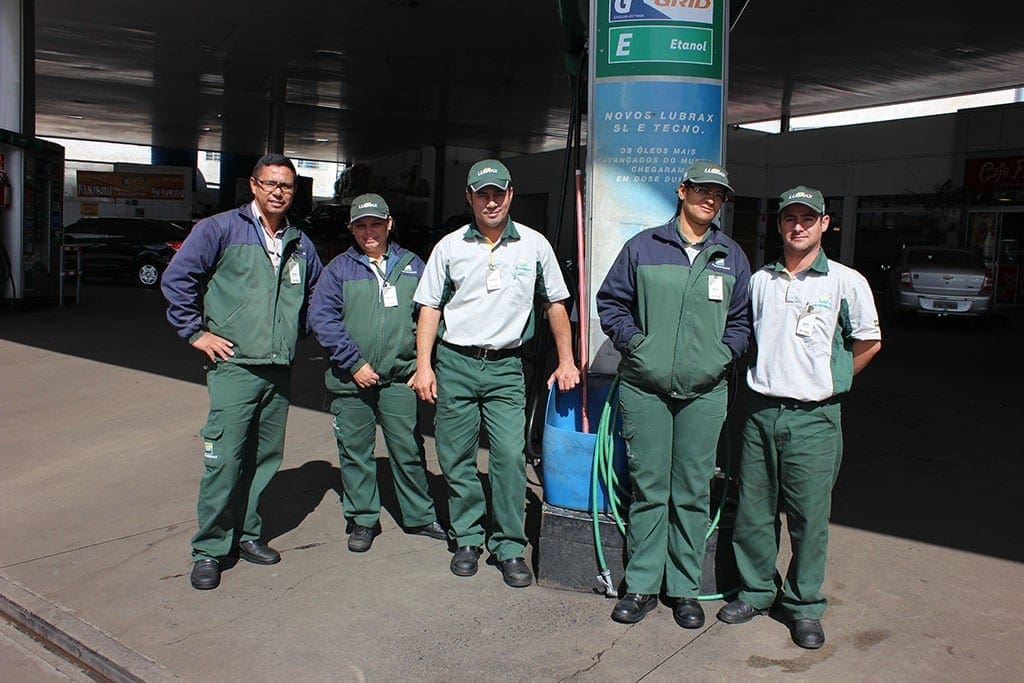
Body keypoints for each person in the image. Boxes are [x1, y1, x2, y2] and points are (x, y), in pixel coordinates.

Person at [717, 186, 881, 648]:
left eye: (808, 218)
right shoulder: (761, 280)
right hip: (758, 412)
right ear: (780, 223)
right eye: (790, 217)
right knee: (753, 510)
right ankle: (755, 591)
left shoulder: (846, 282)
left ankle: (804, 605)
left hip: (814, 420)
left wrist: (834, 378)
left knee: (809, 517)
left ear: (825, 224)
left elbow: (868, 342)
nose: (798, 226)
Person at [596, 160, 752, 628]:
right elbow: (611, 303)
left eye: (718, 194)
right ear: (682, 191)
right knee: (649, 489)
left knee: (692, 490)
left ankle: (683, 588)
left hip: (705, 392)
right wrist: (639, 347)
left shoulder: (731, 257)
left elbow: (743, 322)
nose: (710, 199)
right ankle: (642, 585)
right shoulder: (644, 247)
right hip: (645, 389)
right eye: (702, 190)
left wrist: (722, 357)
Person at [411, 159, 580, 587]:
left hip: (506, 368)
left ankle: (508, 546)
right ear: (469, 197)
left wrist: (566, 360)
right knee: (455, 455)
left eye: (498, 193)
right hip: (456, 364)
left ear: (510, 195)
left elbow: (555, 304)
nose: (491, 201)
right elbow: (429, 307)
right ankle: (468, 536)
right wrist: (425, 365)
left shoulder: (534, 246)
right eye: (481, 194)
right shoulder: (450, 247)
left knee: (508, 456)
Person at [161, 153, 323, 590]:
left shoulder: (300, 243)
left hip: (279, 370)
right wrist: (197, 333)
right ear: (253, 185)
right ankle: (210, 549)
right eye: (269, 183)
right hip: (234, 367)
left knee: (264, 459)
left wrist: (291, 335)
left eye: (286, 186)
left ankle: (248, 536)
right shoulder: (218, 229)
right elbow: (177, 280)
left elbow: (315, 297)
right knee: (224, 460)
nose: (277, 191)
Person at [308, 193, 446, 553]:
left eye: (375, 224)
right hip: (350, 378)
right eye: (361, 225)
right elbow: (322, 318)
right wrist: (354, 362)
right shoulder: (338, 269)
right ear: (352, 229)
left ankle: (418, 515)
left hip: (400, 376)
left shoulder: (413, 265)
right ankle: (363, 518)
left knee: (408, 448)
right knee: (355, 451)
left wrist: (424, 363)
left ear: (389, 224)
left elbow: (431, 315)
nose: (369, 232)